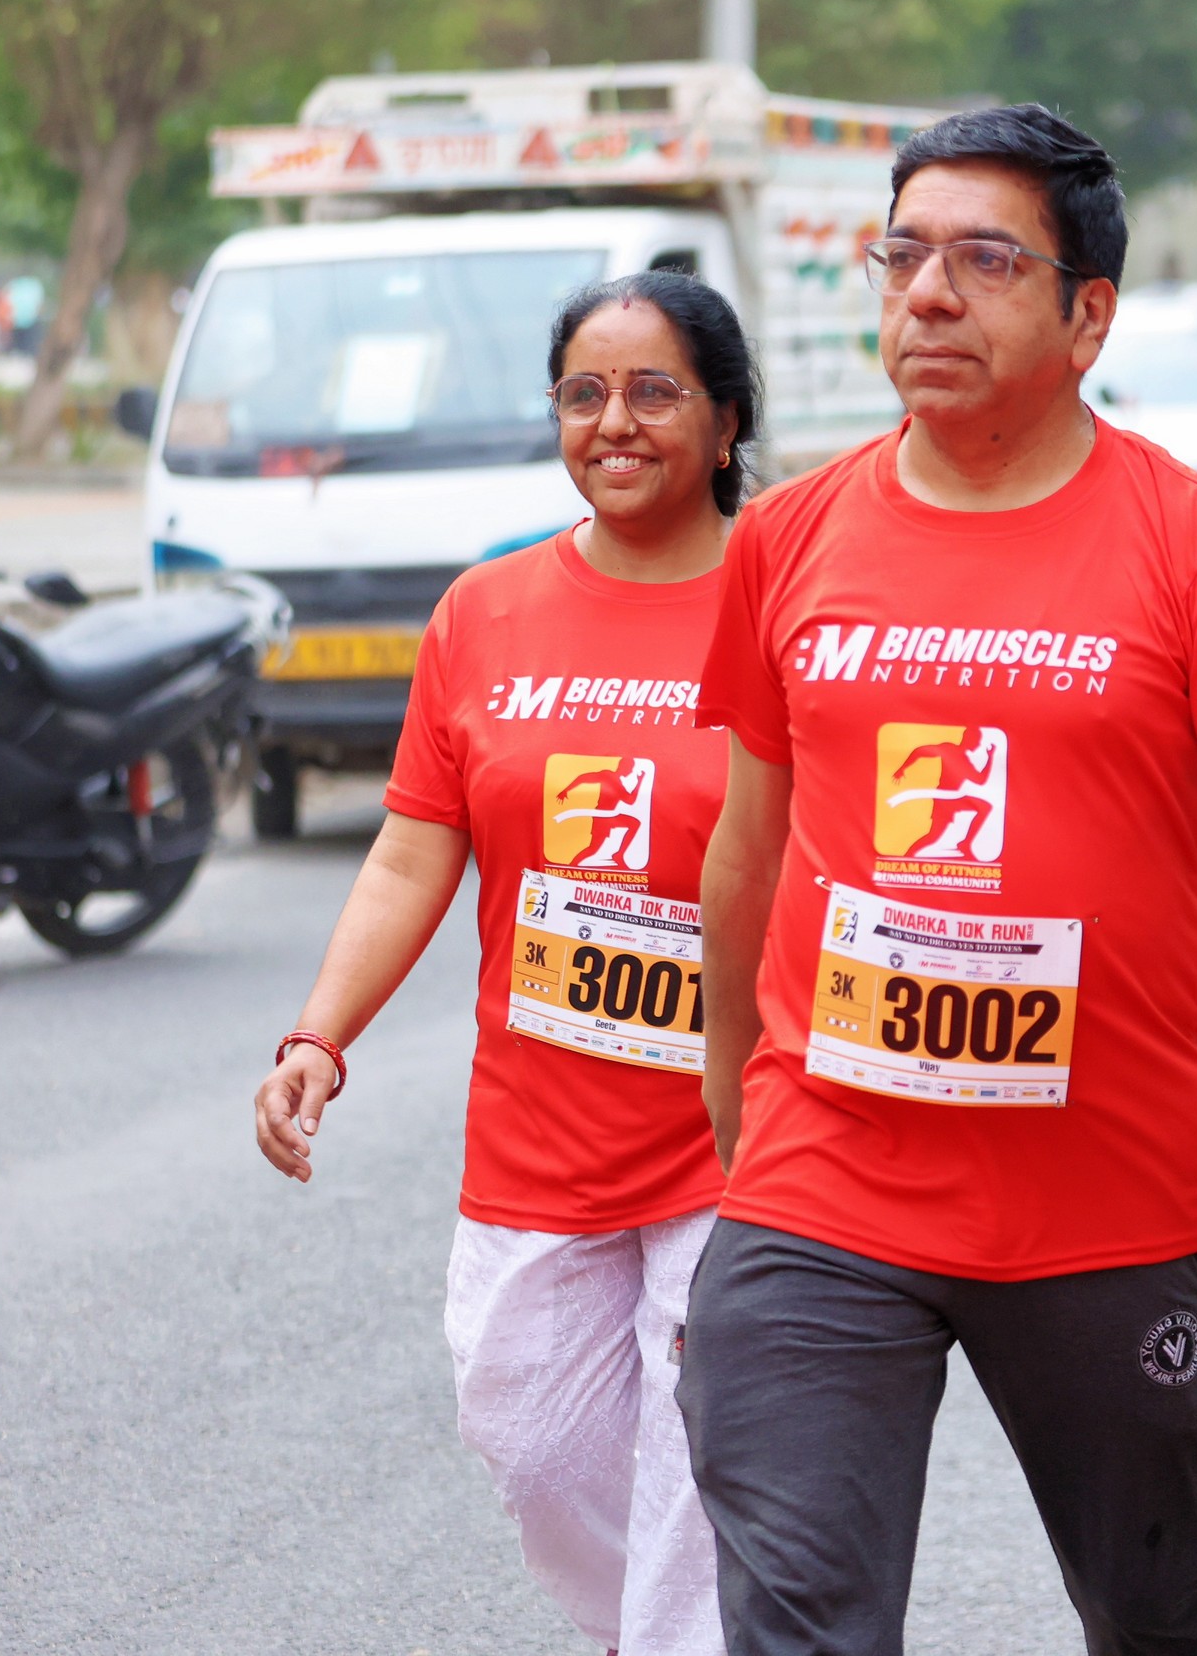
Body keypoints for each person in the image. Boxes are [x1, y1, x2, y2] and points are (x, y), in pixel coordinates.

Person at [679, 105, 1197, 1656]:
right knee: (798, 1621)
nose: (930, 294)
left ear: (1089, 315)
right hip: (823, 1182)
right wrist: (739, 1125)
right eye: (905, 256)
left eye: (987, 261)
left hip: (1102, 1201)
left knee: (1159, 1613)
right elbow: (745, 853)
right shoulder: (788, 540)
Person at [251, 270, 754, 1655]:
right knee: (533, 1445)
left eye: (655, 392)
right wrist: (318, 1037)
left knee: (703, 1471)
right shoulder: (486, 612)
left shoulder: (788, 601)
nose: (615, 422)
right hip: (542, 1140)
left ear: (725, 422)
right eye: (585, 393)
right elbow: (413, 855)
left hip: (741, 1137)